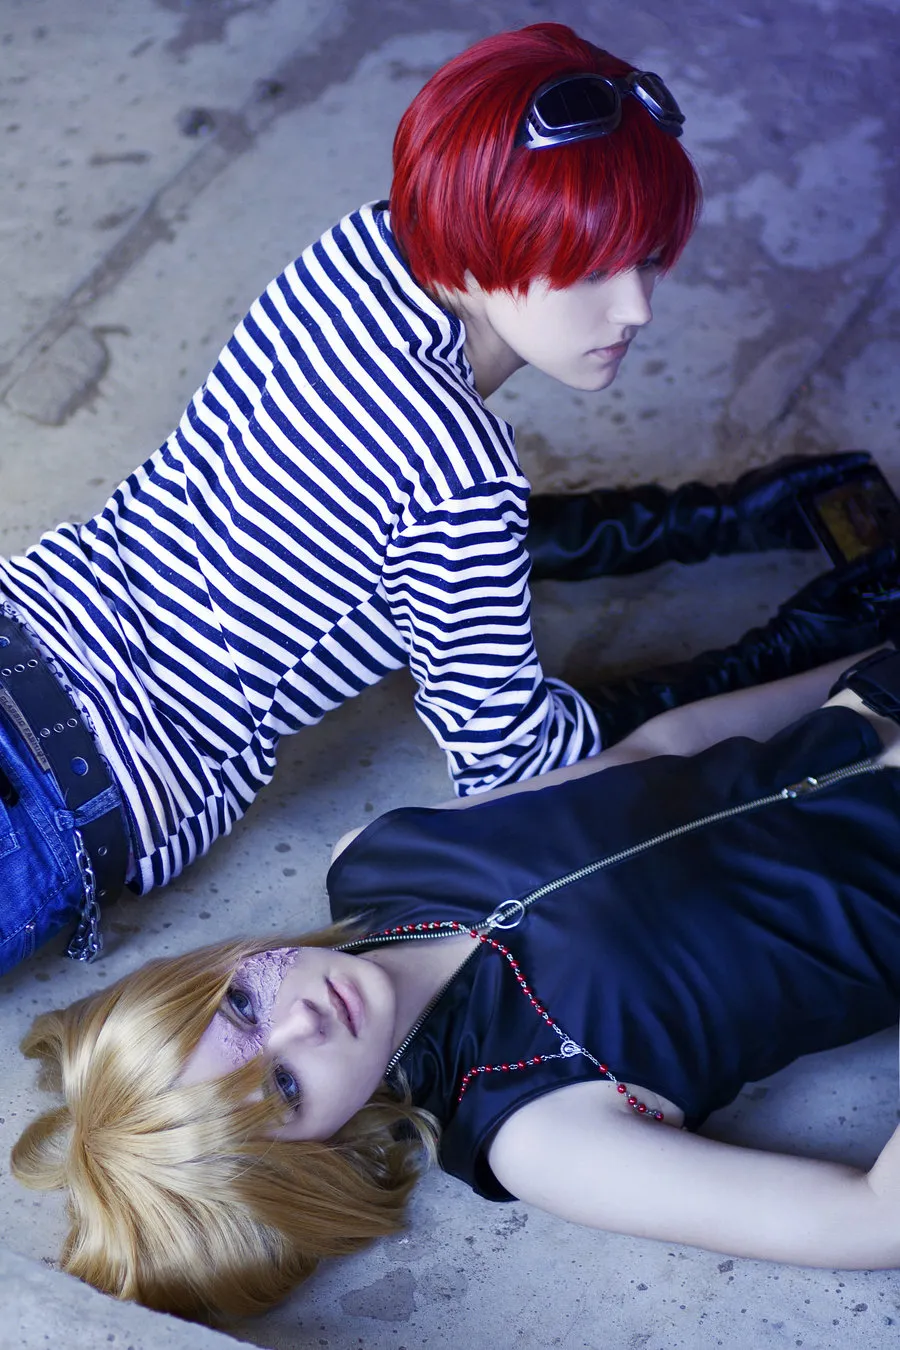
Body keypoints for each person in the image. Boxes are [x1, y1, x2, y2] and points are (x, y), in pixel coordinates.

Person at [0, 21, 887, 978]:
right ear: (493, 234)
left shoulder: (358, 250)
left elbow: (403, 525)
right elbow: (515, 762)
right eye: (591, 267)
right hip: (73, 789)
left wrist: (719, 518)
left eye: (645, 258)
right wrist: (795, 646)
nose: (635, 307)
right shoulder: (459, 471)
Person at [13, 645, 900, 1322]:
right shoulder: (534, 1132)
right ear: (317, 1159)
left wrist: (865, 661)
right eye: (283, 1086)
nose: (303, 1021)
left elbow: (655, 751)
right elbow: (869, 1220)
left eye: (242, 1004)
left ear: (210, 966)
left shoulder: (377, 857)